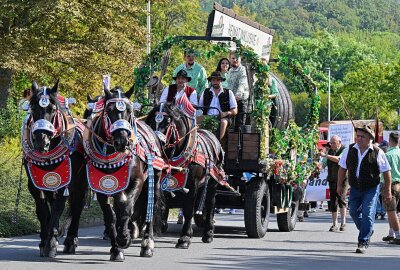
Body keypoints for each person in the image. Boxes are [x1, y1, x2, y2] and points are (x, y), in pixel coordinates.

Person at [337, 124, 391, 254]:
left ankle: (363, 241)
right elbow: (342, 168)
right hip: (355, 186)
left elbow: (386, 172)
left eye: (362, 136)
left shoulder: (378, 152)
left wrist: (387, 190)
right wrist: (339, 185)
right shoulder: (349, 149)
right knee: (354, 212)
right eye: (358, 136)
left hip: (371, 187)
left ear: (369, 138)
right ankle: (367, 229)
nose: (359, 138)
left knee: (367, 212)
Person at [319, 135, 348, 232]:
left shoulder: (344, 150)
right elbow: (323, 163)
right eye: (331, 143)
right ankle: (334, 223)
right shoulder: (329, 151)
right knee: (333, 201)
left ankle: (343, 222)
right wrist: (318, 167)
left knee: (342, 199)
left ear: (339, 142)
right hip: (332, 179)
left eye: (334, 143)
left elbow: (339, 159)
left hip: (343, 179)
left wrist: (326, 155)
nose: (332, 145)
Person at [199, 71, 238, 140]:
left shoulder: (228, 92)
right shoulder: (205, 92)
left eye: (218, 80)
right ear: (211, 81)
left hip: (223, 117)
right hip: (207, 117)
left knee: (223, 122)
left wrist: (226, 113)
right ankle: (198, 144)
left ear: (221, 81)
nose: (215, 82)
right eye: (213, 80)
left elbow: (235, 110)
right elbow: (200, 107)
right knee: (195, 119)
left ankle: (218, 143)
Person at [381, 132, 400, 244]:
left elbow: (384, 172)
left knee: (391, 211)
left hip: (390, 185)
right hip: (398, 183)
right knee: (392, 211)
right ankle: (391, 233)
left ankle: (398, 236)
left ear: (390, 140)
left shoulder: (388, 155)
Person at [227, 51, 249, 129]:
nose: (235, 60)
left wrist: (236, 96)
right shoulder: (230, 71)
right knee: (229, 123)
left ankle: (240, 140)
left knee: (239, 125)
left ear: (240, 59)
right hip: (231, 100)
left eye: (237, 58)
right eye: (233, 58)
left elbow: (242, 84)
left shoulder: (243, 70)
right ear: (230, 59)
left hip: (240, 100)